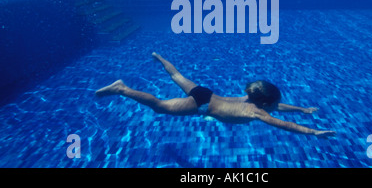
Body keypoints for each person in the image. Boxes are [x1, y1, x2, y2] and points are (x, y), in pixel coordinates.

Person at [95, 52, 336, 138]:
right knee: (159, 106)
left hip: (207, 93)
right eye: (273, 103)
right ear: (264, 104)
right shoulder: (258, 112)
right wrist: (313, 132)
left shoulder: (250, 100)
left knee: (178, 76)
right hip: (200, 106)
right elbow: (284, 125)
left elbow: (281, 108)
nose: (276, 105)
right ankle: (121, 89)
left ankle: (158, 57)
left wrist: (303, 110)